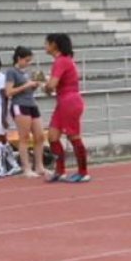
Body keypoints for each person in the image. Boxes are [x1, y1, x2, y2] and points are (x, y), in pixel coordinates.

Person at [43, 33, 89, 183]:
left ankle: (83, 172)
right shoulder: (63, 61)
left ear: (54, 45)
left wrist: (45, 85)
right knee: (52, 136)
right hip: (63, 101)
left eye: (47, 43)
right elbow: (54, 86)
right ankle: (60, 170)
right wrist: (48, 86)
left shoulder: (61, 61)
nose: (45, 46)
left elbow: (52, 85)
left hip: (69, 101)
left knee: (73, 136)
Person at [5, 47, 47, 178]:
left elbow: (29, 89)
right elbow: (9, 92)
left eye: (30, 61)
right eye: (27, 60)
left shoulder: (28, 73)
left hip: (31, 104)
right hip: (19, 105)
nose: (28, 63)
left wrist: (34, 86)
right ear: (19, 58)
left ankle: (40, 166)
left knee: (39, 136)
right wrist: (26, 86)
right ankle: (26, 168)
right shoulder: (11, 72)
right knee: (24, 137)